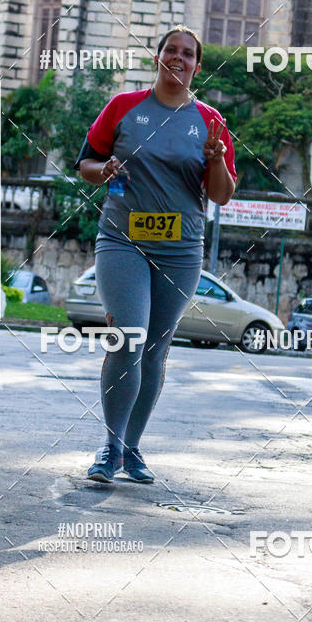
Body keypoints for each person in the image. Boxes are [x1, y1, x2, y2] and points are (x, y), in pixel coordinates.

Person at [75, 25, 236, 483]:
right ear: (158, 57)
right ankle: (109, 447)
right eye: (171, 50)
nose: (178, 58)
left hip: (180, 252)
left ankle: (132, 448)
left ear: (197, 66)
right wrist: (103, 169)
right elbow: (83, 164)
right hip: (122, 241)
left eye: (188, 54)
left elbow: (222, 195)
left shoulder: (209, 119)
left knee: (154, 350)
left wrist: (217, 159)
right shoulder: (123, 107)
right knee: (128, 337)